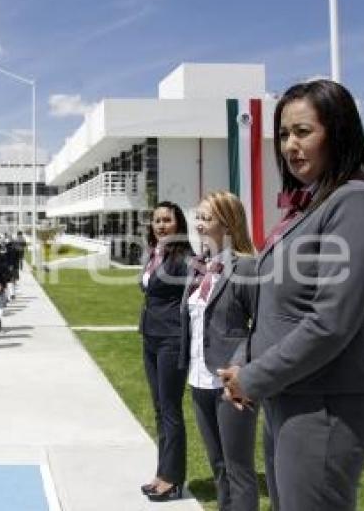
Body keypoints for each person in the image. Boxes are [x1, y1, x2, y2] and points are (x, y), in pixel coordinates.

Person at [218, 80, 364, 510]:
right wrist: (244, 361)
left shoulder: (356, 204)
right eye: (283, 134)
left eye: (303, 132)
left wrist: (252, 379)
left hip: (324, 409)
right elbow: (275, 307)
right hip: (288, 399)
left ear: (338, 131)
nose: (290, 146)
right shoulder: (309, 207)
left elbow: (329, 323)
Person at [180, 191, 258, 511]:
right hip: (199, 379)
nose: (199, 223)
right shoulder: (200, 266)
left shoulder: (247, 267)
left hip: (231, 382)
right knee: (218, 466)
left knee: (238, 469)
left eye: (206, 218)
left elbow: (263, 326)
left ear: (227, 223)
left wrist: (241, 366)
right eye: (197, 216)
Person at [139, 201, 194, 502]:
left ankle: (173, 480)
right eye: (157, 220)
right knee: (160, 409)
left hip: (171, 339)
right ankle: (162, 472)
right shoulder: (153, 254)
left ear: (178, 225)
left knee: (171, 409)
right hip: (150, 338)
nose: (160, 225)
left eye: (167, 221)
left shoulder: (185, 257)